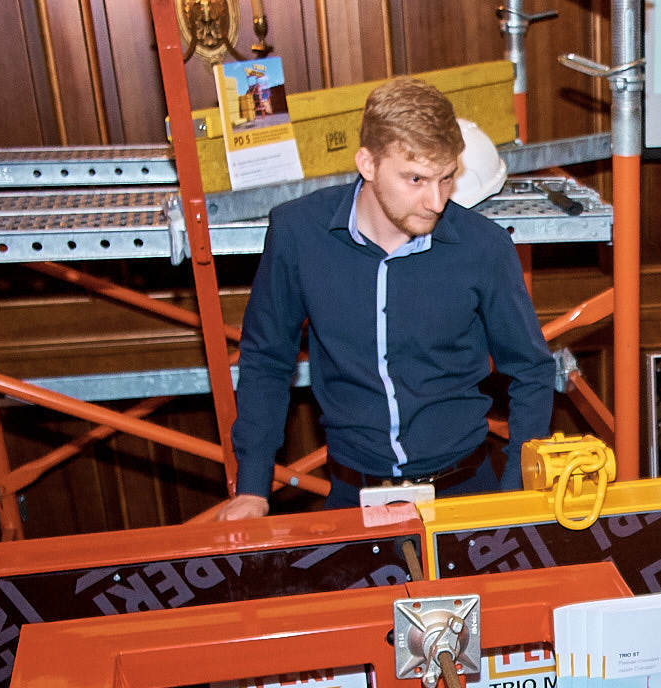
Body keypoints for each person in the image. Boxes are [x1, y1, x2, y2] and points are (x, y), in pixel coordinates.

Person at [215, 77, 555, 518]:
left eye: (446, 177)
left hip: (469, 491)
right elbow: (266, 359)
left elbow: (531, 369)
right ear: (368, 164)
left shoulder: (483, 247)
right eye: (415, 179)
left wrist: (516, 494)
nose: (435, 201)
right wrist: (253, 487)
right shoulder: (299, 234)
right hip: (352, 497)